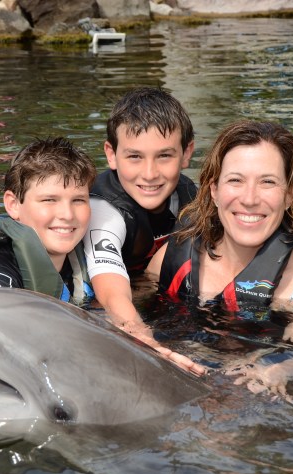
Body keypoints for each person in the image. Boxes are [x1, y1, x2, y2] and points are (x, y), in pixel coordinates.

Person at [146, 120, 293, 397]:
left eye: (268, 182)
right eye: (235, 180)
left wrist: (273, 370)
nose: (249, 199)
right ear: (214, 191)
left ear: (290, 195)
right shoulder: (172, 256)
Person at [82, 87, 204, 374]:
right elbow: (111, 292)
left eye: (164, 156)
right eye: (134, 157)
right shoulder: (105, 210)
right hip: (105, 308)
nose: (149, 174)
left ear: (186, 153)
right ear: (111, 155)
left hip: (153, 295)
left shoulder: (188, 195)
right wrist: (143, 339)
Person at [0, 137, 96, 306]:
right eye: (49, 200)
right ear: (13, 205)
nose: (67, 215)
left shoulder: (91, 257)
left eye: (78, 200)